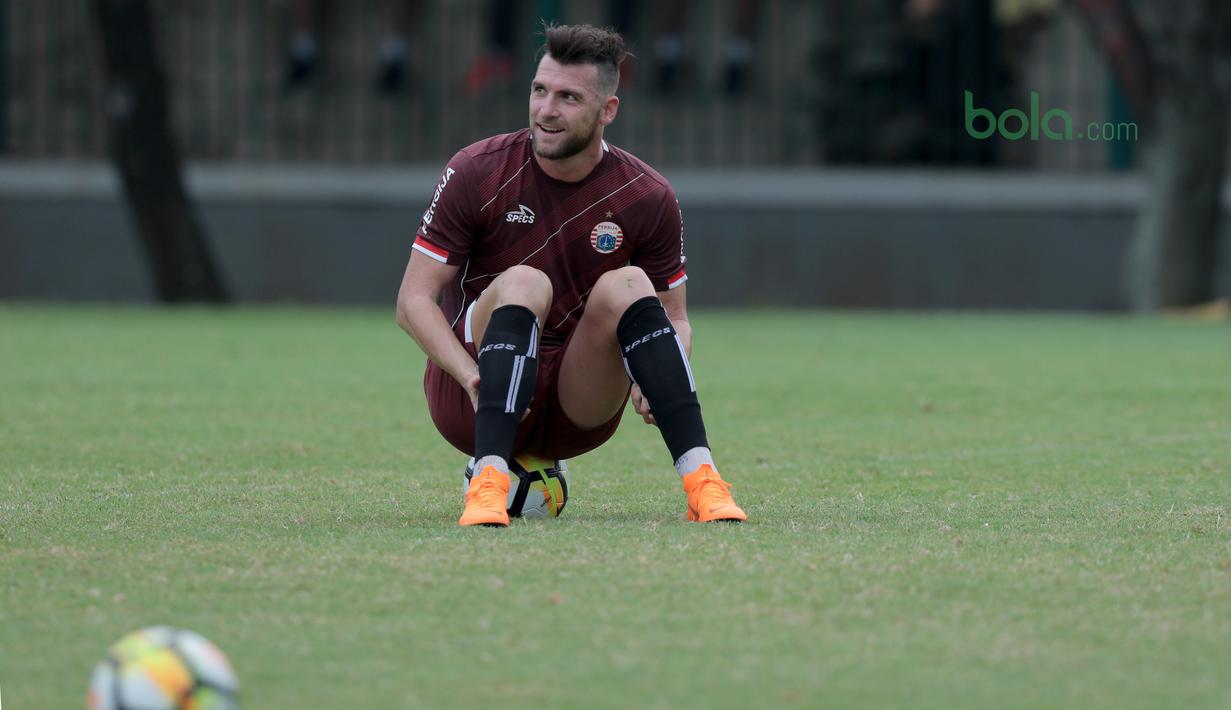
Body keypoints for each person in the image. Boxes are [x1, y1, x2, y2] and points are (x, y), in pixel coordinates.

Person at [395, 23, 748, 527]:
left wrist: (663, 366)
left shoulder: (647, 194)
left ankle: (703, 482)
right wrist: (470, 375)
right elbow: (412, 302)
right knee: (525, 281)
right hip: (471, 397)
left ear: (608, 111)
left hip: (576, 405)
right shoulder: (477, 170)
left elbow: (676, 318)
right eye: (539, 91)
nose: (546, 110)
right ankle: (488, 482)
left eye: (568, 97)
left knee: (628, 284)